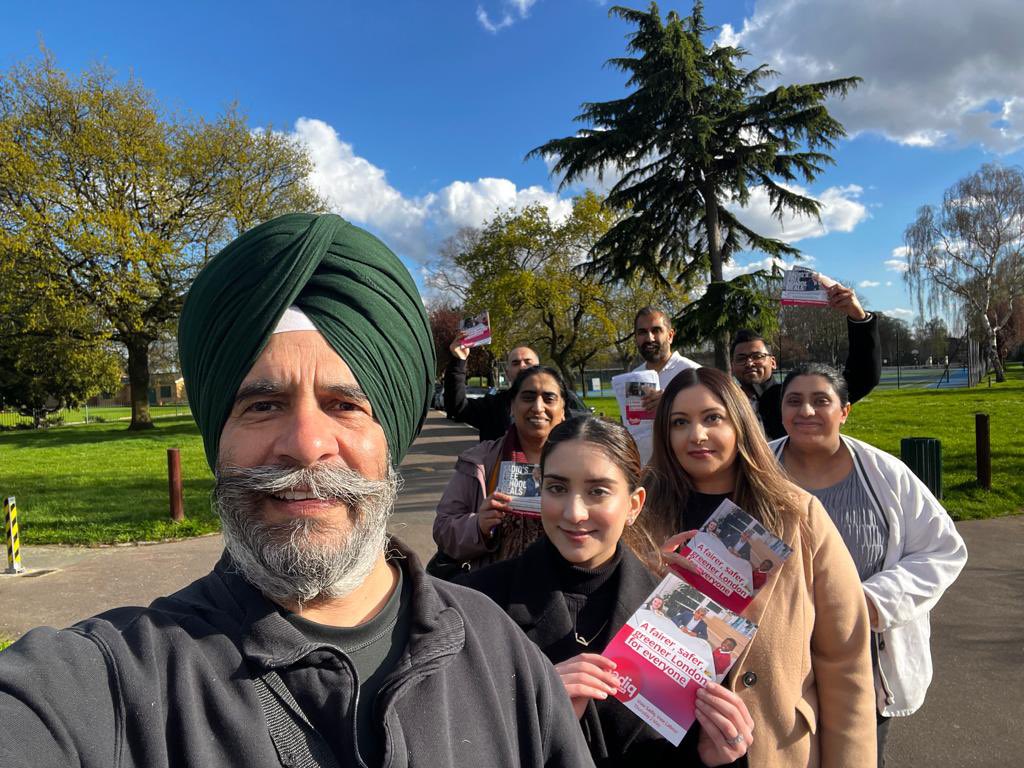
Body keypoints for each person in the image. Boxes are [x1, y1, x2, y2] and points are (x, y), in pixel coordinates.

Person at [0, 214, 594, 768]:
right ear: (218, 435)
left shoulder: (502, 658)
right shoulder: (107, 683)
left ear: (393, 438)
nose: (307, 444)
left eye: (345, 405)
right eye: (263, 405)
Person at [462, 416, 754, 767]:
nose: (574, 512)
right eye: (557, 488)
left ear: (634, 505)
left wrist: (716, 758)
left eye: (597, 491)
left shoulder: (687, 621)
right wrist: (536, 711)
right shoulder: (477, 603)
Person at [643, 366, 877, 768]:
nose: (696, 435)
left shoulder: (797, 515)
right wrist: (649, 575)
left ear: (741, 424)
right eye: (680, 422)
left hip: (777, 747)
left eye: (712, 418)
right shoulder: (639, 520)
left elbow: (845, 659)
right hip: (669, 746)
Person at [774, 363, 968, 768]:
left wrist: (868, 603)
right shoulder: (756, 472)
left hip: (861, 662)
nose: (806, 411)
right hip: (777, 663)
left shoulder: (886, 476)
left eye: (820, 400)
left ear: (845, 411)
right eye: (794, 401)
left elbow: (942, 549)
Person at [432, 365, 569, 572]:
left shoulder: (583, 464)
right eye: (528, 397)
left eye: (548, 398)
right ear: (512, 406)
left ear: (563, 409)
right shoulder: (480, 461)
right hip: (493, 593)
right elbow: (443, 529)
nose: (538, 407)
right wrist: (478, 526)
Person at [730, 280, 881, 439]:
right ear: (732, 366)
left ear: (773, 362)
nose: (750, 363)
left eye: (757, 356)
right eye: (741, 358)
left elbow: (862, 377)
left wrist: (859, 318)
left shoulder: (794, 396)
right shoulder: (723, 402)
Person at [629, 306, 700, 463]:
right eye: (642, 332)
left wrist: (670, 405)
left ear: (670, 335)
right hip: (645, 470)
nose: (649, 338)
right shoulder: (634, 377)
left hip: (685, 468)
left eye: (656, 330)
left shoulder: (694, 372)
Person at [445, 340, 540, 440]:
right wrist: (459, 360)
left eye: (528, 362)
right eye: (515, 363)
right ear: (507, 373)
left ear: (539, 369)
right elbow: (457, 407)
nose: (522, 366)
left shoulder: (553, 404)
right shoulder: (492, 405)